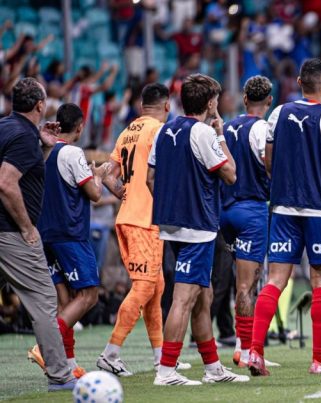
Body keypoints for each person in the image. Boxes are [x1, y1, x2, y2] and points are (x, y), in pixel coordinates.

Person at [148, 73, 247, 386]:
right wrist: (219, 134)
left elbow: (151, 178)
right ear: (210, 103)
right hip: (197, 226)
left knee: (203, 297)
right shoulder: (202, 133)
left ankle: (213, 367)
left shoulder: (165, 130)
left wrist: (172, 204)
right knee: (185, 298)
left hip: (170, 224)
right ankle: (166, 371)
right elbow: (231, 174)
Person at [248, 59, 321, 376]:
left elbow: (269, 160)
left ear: (299, 82)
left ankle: (255, 352)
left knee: (275, 279)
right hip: (320, 210)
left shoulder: (279, 113)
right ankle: (318, 360)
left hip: (284, 208)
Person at [0, 78, 76, 391]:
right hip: (11, 235)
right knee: (44, 299)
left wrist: (43, 146)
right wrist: (27, 227)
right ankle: (60, 375)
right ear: (40, 105)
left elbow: (26, 172)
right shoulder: (22, 136)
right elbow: (6, 182)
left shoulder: (7, 127)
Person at [97, 83, 171, 376]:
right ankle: (110, 354)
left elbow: (109, 177)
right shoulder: (158, 131)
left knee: (156, 288)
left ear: (142, 106)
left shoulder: (126, 132)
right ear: (166, 106)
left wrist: (128, 196)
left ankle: (161, 358)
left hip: (131, 216)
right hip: (144, 220)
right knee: (144, 287)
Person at [32, 103, 105, 380]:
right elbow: (94, 194)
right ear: (80, 126)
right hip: (69, 235)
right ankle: (43, 347)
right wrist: (97, 176)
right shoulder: (73, 152)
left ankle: (68, 365)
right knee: (88, 296)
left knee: (66, 303)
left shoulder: (44, 152)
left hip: (46, 234)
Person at [220, 76, 272, 368]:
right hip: (251, 209)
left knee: (239, 281)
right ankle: (246, 349)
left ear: (244, 99)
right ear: (269, 101)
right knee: (247, 285)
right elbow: (268, 164)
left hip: (225, 210)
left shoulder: (226, 127)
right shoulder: (262, 128)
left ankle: (244, 345)